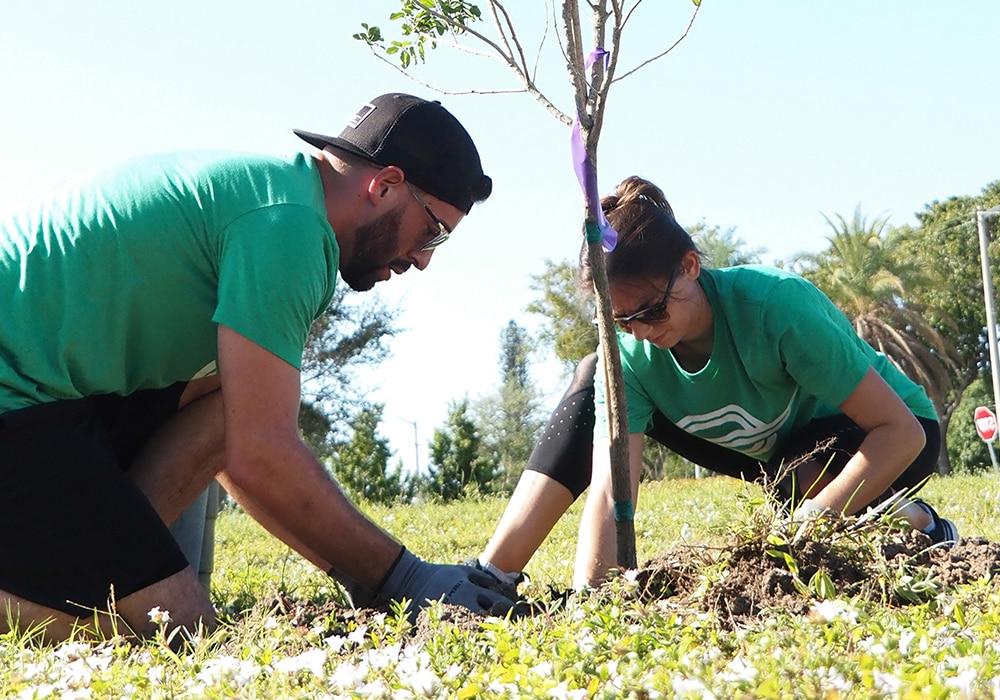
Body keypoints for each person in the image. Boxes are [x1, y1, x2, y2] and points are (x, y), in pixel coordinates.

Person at [0, 92, 514, 642]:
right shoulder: (289, 228)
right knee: (173, 631)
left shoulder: (279, 197)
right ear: (384, 185)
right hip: (17, 398)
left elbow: (229, 421)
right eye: (433, 231)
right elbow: (260, 454)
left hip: (51, 397)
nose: (425, 258)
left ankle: (104, 567)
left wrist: (161, 558)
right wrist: (404, 577)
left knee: (226, 405)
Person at [469, 176, 957, 592]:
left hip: (887, 435)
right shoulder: (633, 356)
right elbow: (611, 491)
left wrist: (807, 526)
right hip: (782, 461)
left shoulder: (776, 307)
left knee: (807, 487)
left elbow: (904, 433)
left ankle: (918, 524)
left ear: (689, 266)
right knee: (597, 372)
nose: (640, 331)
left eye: (653, 311)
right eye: (622, 321)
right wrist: (594, 602)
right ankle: (492, 575)